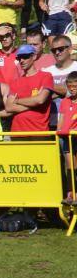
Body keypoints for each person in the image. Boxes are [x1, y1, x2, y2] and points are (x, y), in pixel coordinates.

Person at [6, 43, 54, 133]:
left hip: (39, 131)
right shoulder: (16, 81)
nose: (21, 60)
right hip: (17, 132)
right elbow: (8, 107)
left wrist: (17, 101)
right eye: (19, 58)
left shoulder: (46, 76)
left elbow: (40, 100)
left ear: (34, 57)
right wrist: (33, 104)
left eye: (25, 57)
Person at [43, 35, 77, 128]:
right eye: (54, 50)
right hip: (51, 122)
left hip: (74, 123)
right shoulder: (45, 72)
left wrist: (50, 87)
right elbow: (41, 97)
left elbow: (71, 92)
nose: (57, 52)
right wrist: (64, 91)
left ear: (70, 49)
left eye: (61, 49)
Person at [56, 70, 77, 202]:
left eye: (75, 87)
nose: (72, 89)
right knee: (69, 166)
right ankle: (71, 192)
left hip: (75, 136)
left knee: (76, 165)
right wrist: (58, 130)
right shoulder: (65, 101)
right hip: (65, 137)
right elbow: (61, 119)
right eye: (70, 87)